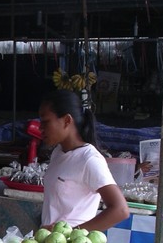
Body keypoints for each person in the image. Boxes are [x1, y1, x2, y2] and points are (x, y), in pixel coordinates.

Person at [39, 90, 129, 230]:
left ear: (67, 120)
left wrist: (70, 234)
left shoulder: (89, 159)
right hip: (49, 241)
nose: (40, 128)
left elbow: (120, 210)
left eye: (45, 122)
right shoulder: (58, 152)